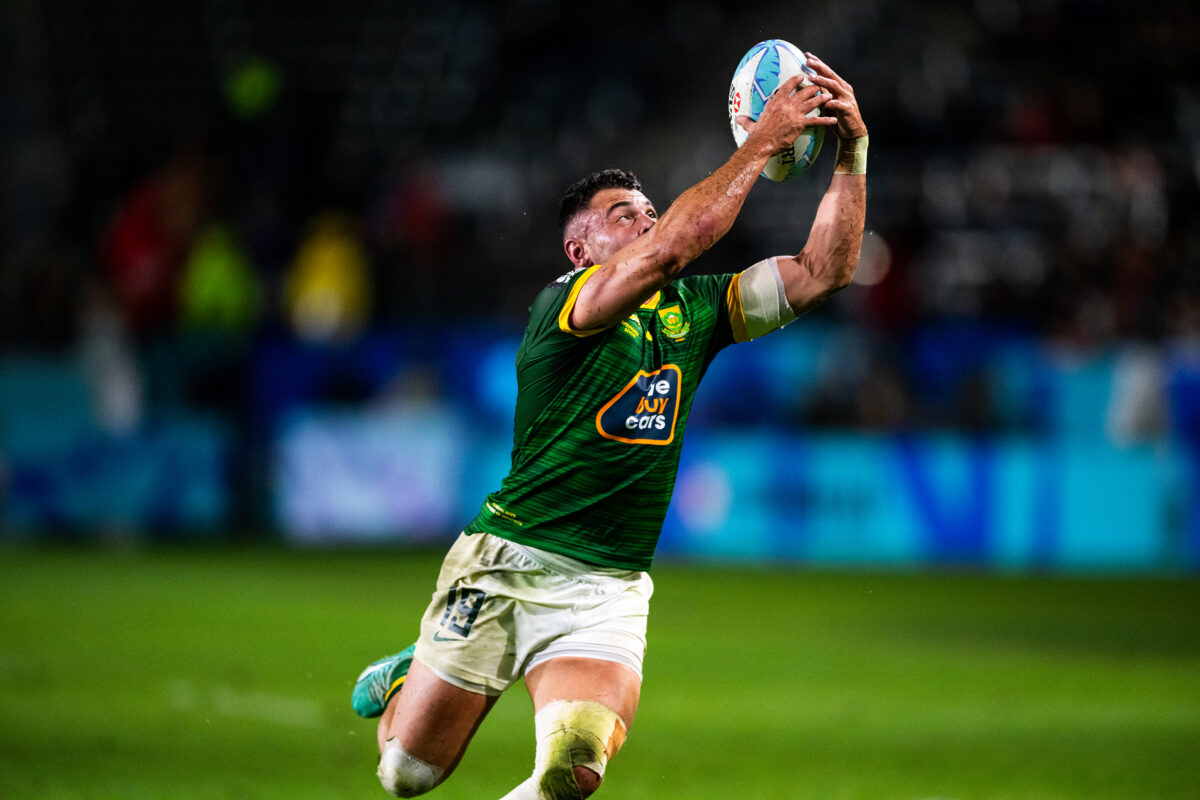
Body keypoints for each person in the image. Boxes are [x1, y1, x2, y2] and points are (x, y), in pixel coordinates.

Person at [350, 52, 868, 799]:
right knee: (406, 775)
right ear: (580, 250)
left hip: (606, 586)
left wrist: (852, 153)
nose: (646, 221)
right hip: (507, 563)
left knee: (572, 770)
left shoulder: (696, 312)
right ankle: (414, 668)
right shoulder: (565, 308)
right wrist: (760, 143)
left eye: (649, 211)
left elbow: (825, 270)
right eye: (623, 214)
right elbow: (668, 253)